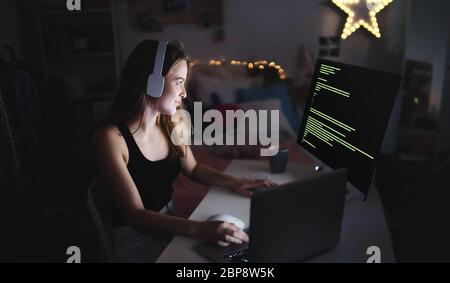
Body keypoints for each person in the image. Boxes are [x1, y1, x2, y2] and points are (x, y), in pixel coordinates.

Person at [93, 40, 276, 262]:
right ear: (152, 82)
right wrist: (201, 229)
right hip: (137, 239)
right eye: (179, 82)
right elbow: (136, 216)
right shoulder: (111, 138)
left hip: (174, 222)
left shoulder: (171, 122)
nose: (185, 93)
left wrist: (234, 182)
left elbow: (193, 168)